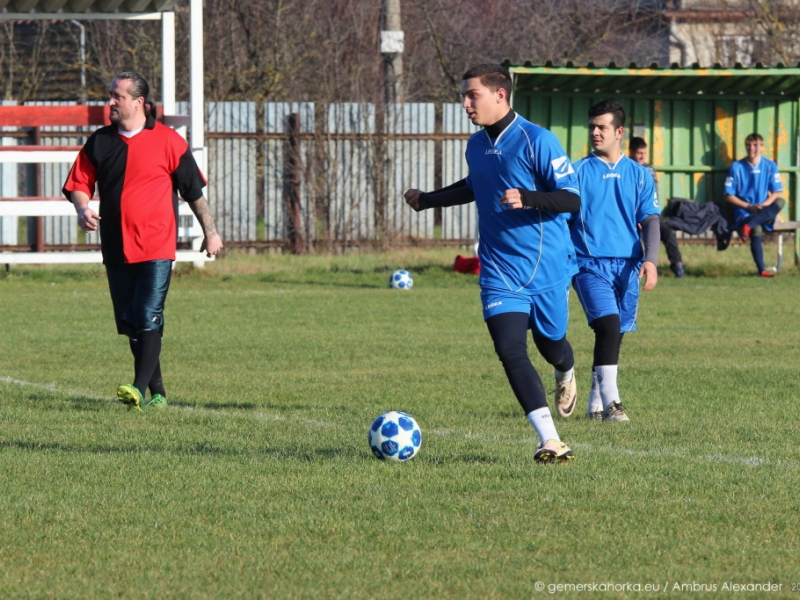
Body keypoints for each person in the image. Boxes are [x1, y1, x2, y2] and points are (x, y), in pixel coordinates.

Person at [404, 64, 580, 464]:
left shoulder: (539, 140)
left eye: (473, 96)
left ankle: (566, 369)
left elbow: (572, 199)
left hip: (547, 267)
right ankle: (550, 439)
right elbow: (474, 186)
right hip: (499, 269)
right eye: (463, 96)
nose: (465, 104)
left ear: (500, 95)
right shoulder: (476, 144)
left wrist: (529, 197)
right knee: (509, 349)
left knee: (552, 345)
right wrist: (428, 199)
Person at [62, 71, 223, 411]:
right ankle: (159, 393)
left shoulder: (169, 141)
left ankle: (136, 389)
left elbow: (194, 193)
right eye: (110, 95)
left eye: (116, 96)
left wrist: (211, 233)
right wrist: (82, 208)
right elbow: (79, 183)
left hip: (156, 247)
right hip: (117, 247)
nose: (109, 102)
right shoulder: (100, 141)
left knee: (148, 314)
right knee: (132, 321)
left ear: (138, 102)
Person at [571, 100, 660, 422]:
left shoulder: (638, 174)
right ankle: (612, 403)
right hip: (589, 264)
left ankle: (595, 402)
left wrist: (650, 260)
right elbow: (561, 220)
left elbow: (650, 219)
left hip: (628, 266)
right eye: (592, 126)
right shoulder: (578, 171)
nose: (595, 132)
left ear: (619, 132)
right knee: (607, 325)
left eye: (602, 127)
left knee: (614, 332)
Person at [724, 133, 785, 278]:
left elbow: (776, 192)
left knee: (781, 202)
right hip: (744, 211)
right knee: (756, 228)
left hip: (764, 210)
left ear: (762, 147)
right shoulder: (736, 166)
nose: (752, 148)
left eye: (755, 145)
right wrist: (748, 206)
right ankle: (762, 270)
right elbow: (728, 195)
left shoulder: (770, 165)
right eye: (749, 145)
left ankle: (748, 226)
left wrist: (764, 205)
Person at [629, 136, 685, 278]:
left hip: (646, 214)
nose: (642, 157)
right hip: (629, 216)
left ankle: (677, 265)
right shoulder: (626, 169)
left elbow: (651, 197)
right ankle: (634, 268)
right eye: (639, 153)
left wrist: (647, 217)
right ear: (631, 152)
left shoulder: (649, 170)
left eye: (644, 153)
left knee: (667, 233)